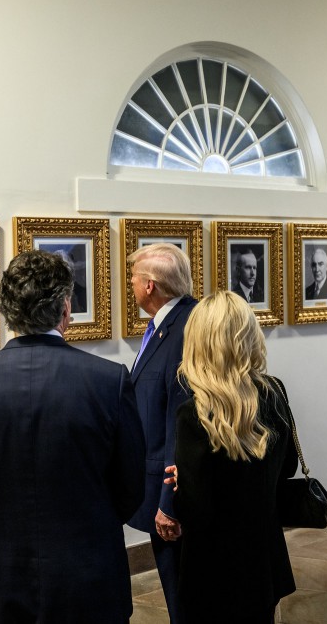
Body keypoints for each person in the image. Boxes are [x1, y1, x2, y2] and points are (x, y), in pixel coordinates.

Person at [0, 249, 145, 623]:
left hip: (1, 569)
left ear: (6, 311)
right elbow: (131, 486)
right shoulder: (109, 380)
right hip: (88, 569)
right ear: (66, 309)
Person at [172, 291, 297, 622]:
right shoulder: (274, 392)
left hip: (214, 568)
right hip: (263, 557)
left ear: (198, 342)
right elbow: (288, 467)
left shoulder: (194, 414)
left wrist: (181, 485)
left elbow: (197, 511)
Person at [126, 242, 197, 623]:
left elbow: (180, 421)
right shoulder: (165, 325)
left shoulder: (186, 328)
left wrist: (169, 503)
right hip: (162, 483)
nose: (131, 286)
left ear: (150, 285)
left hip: (172, 492)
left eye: (134, 279)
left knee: (183, 594)